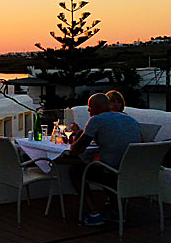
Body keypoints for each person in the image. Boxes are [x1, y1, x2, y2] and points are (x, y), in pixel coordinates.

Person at [59, 93, 141, 226]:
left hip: (112, 173)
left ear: (96, 107)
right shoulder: (130, 120)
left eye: (90, 107)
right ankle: (115, 210)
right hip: (132, 172)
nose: (88, 110)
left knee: (76, 171)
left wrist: (76, 138)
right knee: (103, 166)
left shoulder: (96, 120)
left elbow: (76, 150)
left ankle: (94, 213)